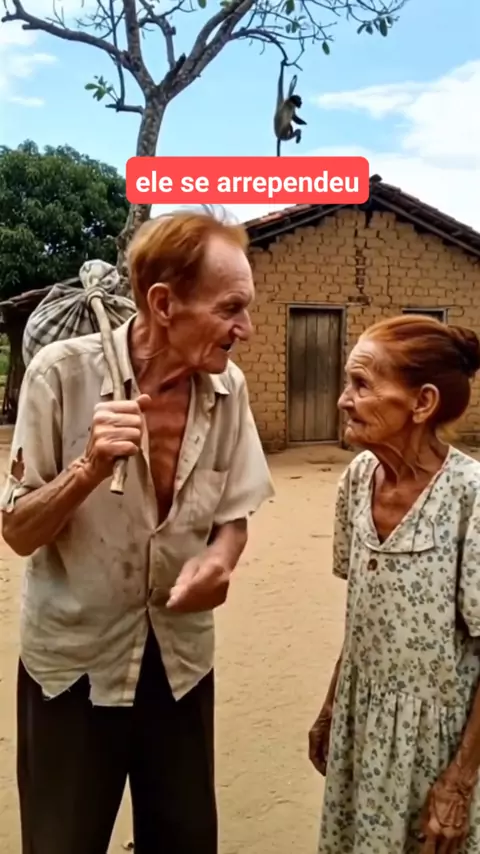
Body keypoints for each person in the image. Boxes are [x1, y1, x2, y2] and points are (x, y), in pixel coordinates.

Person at [1, 210, 274, 854]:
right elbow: (18, 532)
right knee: (63, 841)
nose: (246, 328)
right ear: (164, 303)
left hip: (180, 663)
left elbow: (232, 517)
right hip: (74, 668)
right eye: (231, 308)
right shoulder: (60, 375)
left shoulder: (228, 389)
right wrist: (88, 469)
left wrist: (221, 560)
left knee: (185, 839)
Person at [308, 315, 480, 854]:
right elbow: (362, 613)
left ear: (422, 403)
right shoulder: (357, 479)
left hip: (439, 744)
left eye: (361, 384)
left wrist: (459, 783)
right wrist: (332, 707)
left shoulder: (470, 497)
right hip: (361, 723)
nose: (344, 400)